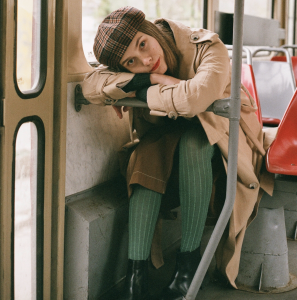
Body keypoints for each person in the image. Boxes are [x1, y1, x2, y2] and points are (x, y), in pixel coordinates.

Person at [82, 6, 274, 300]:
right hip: (170, 134)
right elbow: (90, 87)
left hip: (225, 138)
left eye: (143, 44)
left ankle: (188, 265)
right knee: (145, 154)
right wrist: (154, 80)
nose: (145, 60)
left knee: (193, 145)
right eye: (131, 62)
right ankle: (136, 276)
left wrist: (137, 92)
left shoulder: (208, 46)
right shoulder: (145, 68)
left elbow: (195, 99)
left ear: (150, 28)